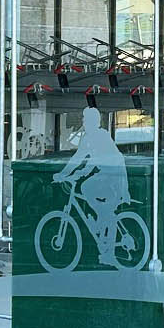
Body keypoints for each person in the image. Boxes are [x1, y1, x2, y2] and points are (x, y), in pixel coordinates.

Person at [53, 106, 131, 266]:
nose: (82, 121)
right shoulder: (90, 138)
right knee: (90, 192)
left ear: (91, 121)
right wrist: (66, 174)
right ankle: (102, 226)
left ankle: (109, 251)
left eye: (84, 119)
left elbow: (87, 161)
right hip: (107, 173)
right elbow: (81, 160)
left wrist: (68, 174)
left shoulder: (100, 136)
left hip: (114, 174)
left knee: (94, 195)